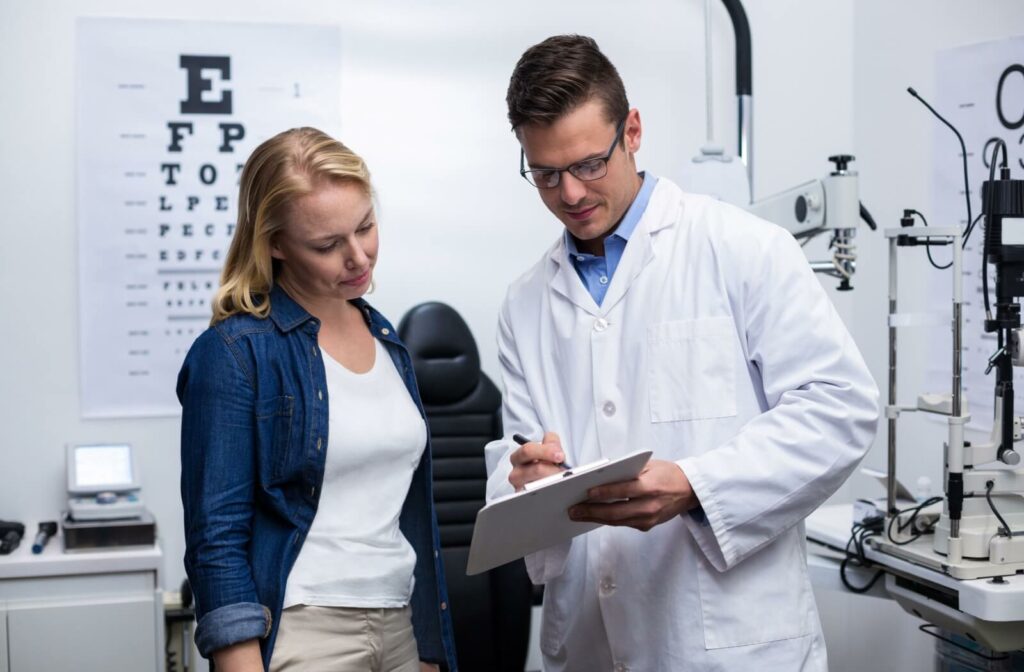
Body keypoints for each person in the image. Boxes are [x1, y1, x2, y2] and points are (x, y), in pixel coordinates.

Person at [484, 35, 879, 671]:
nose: (571, 194)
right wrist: (523, 479)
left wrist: (697, 485)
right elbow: (518, 457)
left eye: (589, 164)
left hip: (730, 644)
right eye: (546, 174)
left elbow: (840, 408)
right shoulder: (525, 301)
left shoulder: (744, 247)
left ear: (632, 131)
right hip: (588, 642)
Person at [178, 127, 457, 672]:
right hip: (303, 631)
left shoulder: (386, 339)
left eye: (366, 227)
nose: (358, 257)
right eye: (328, 245)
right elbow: (216, 537)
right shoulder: (234, 353)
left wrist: (427, 647)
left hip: (400, 620)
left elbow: (404, 511)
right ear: (275, 243)